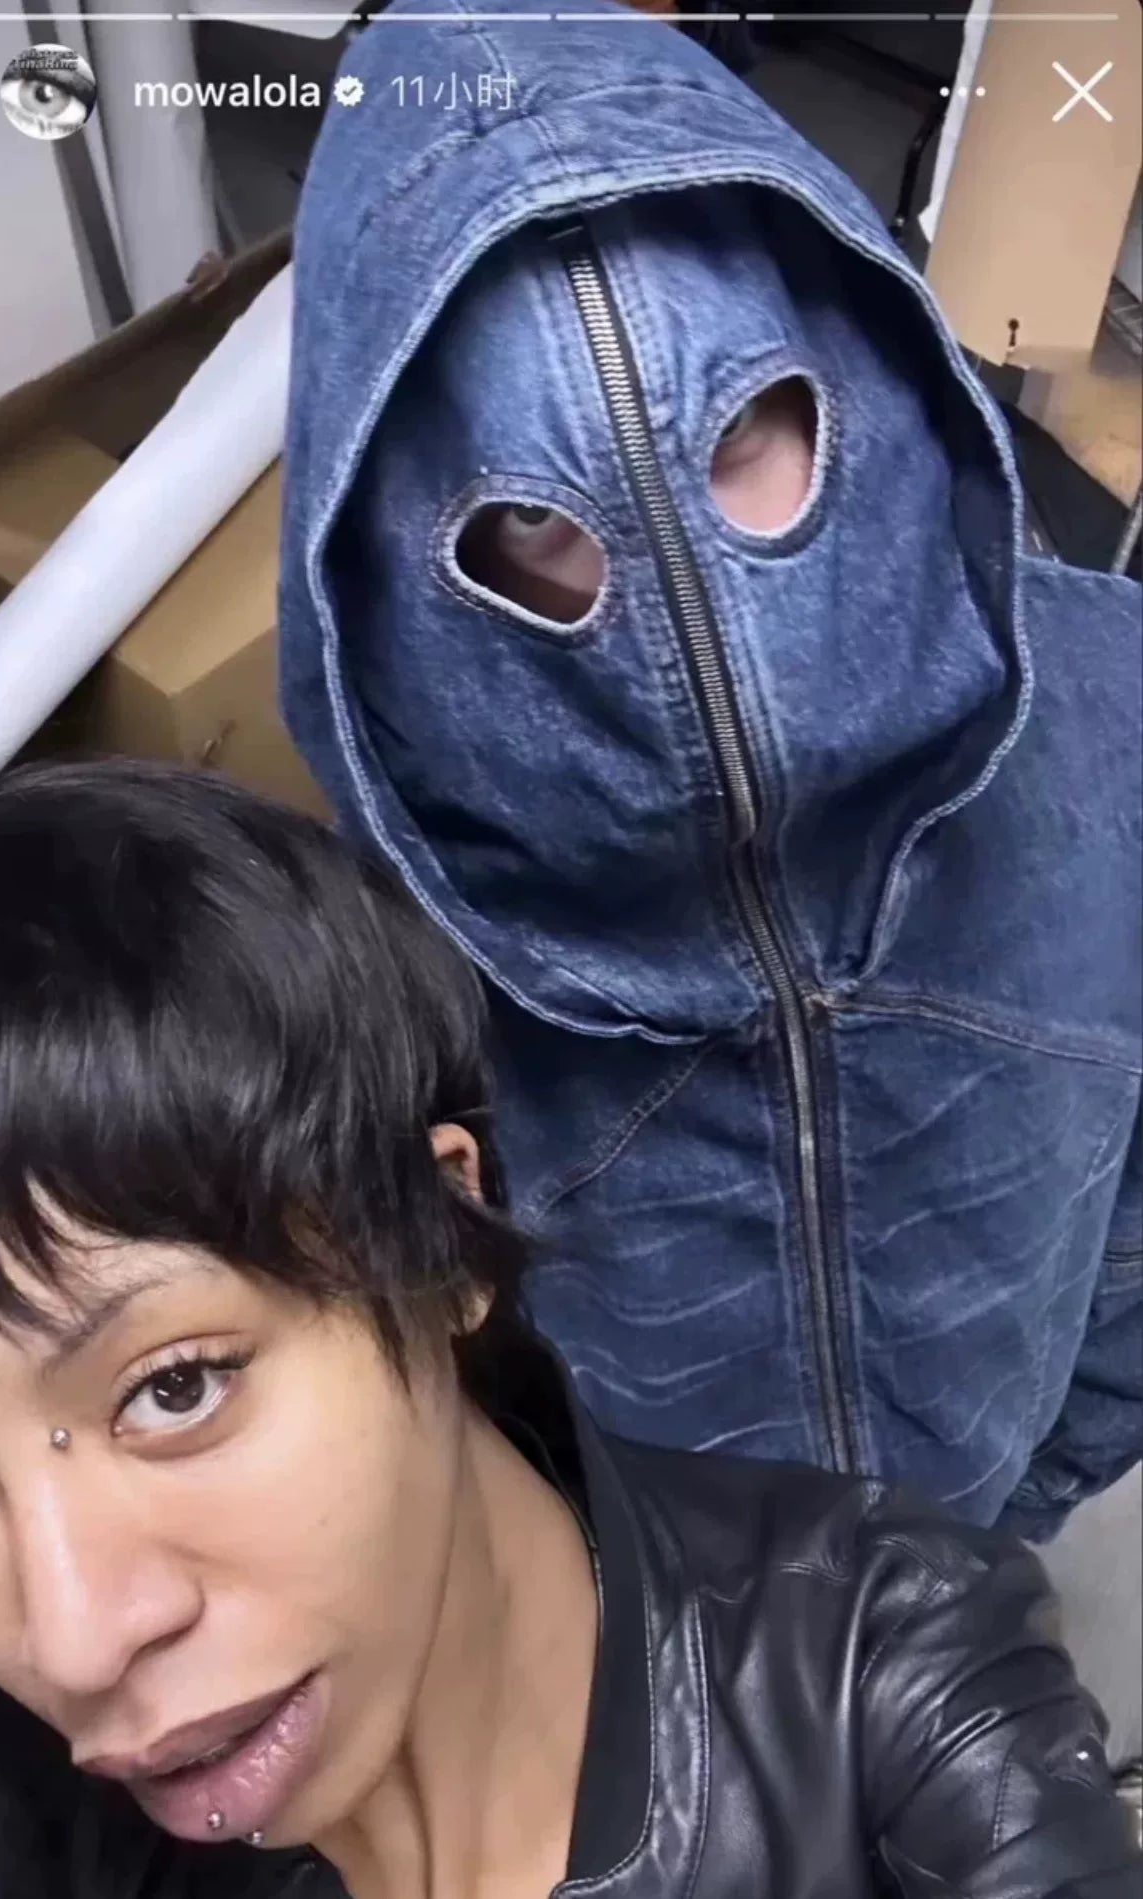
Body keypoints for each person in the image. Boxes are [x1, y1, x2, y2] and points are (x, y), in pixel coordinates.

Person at [0, 758, 1139, 1899]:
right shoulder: (17, 1783)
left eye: (175, 1387)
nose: (75, 1644)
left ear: (432, 1245)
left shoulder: (873, 1690)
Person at [278, 0, 1143, 1541]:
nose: (696, 601)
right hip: (639, 1604)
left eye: (746, 423)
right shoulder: (363, 966)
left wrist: (1007, 1516)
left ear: (859, 355)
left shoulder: (1111, 713)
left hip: (967, 1549)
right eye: (533, 519)